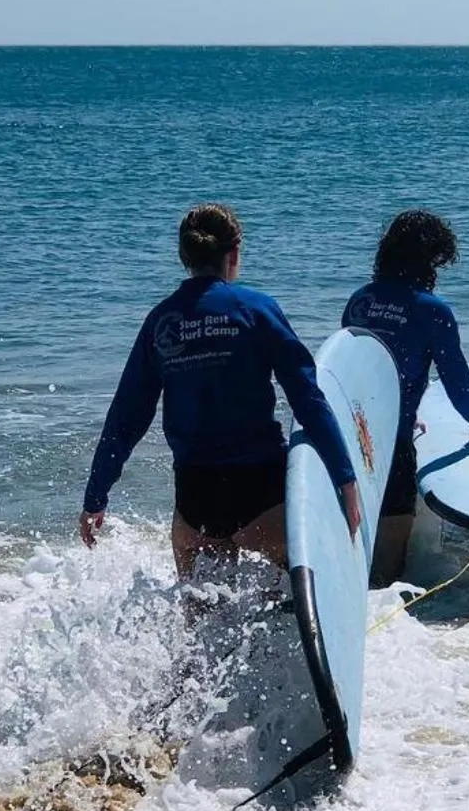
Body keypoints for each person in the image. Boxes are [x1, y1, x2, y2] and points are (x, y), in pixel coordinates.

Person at [80, 204, 361, 577]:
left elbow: (126, 419)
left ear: (185, 257)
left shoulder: (161, 321)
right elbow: (306, 397)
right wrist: (346, 479)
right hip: (261, 488)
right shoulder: (256, 309)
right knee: (281, 614)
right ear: (234, 253)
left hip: (195, 495)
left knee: (200, 624)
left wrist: (95, 498)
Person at [342, 210, 469, 585]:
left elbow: (353, 371)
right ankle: (387, 604)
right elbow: (455, 378)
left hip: (350, 434)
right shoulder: (432, 310)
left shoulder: (360, 301)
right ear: (428, 260)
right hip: (392, 442)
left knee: (354, 533)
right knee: (392, 543)